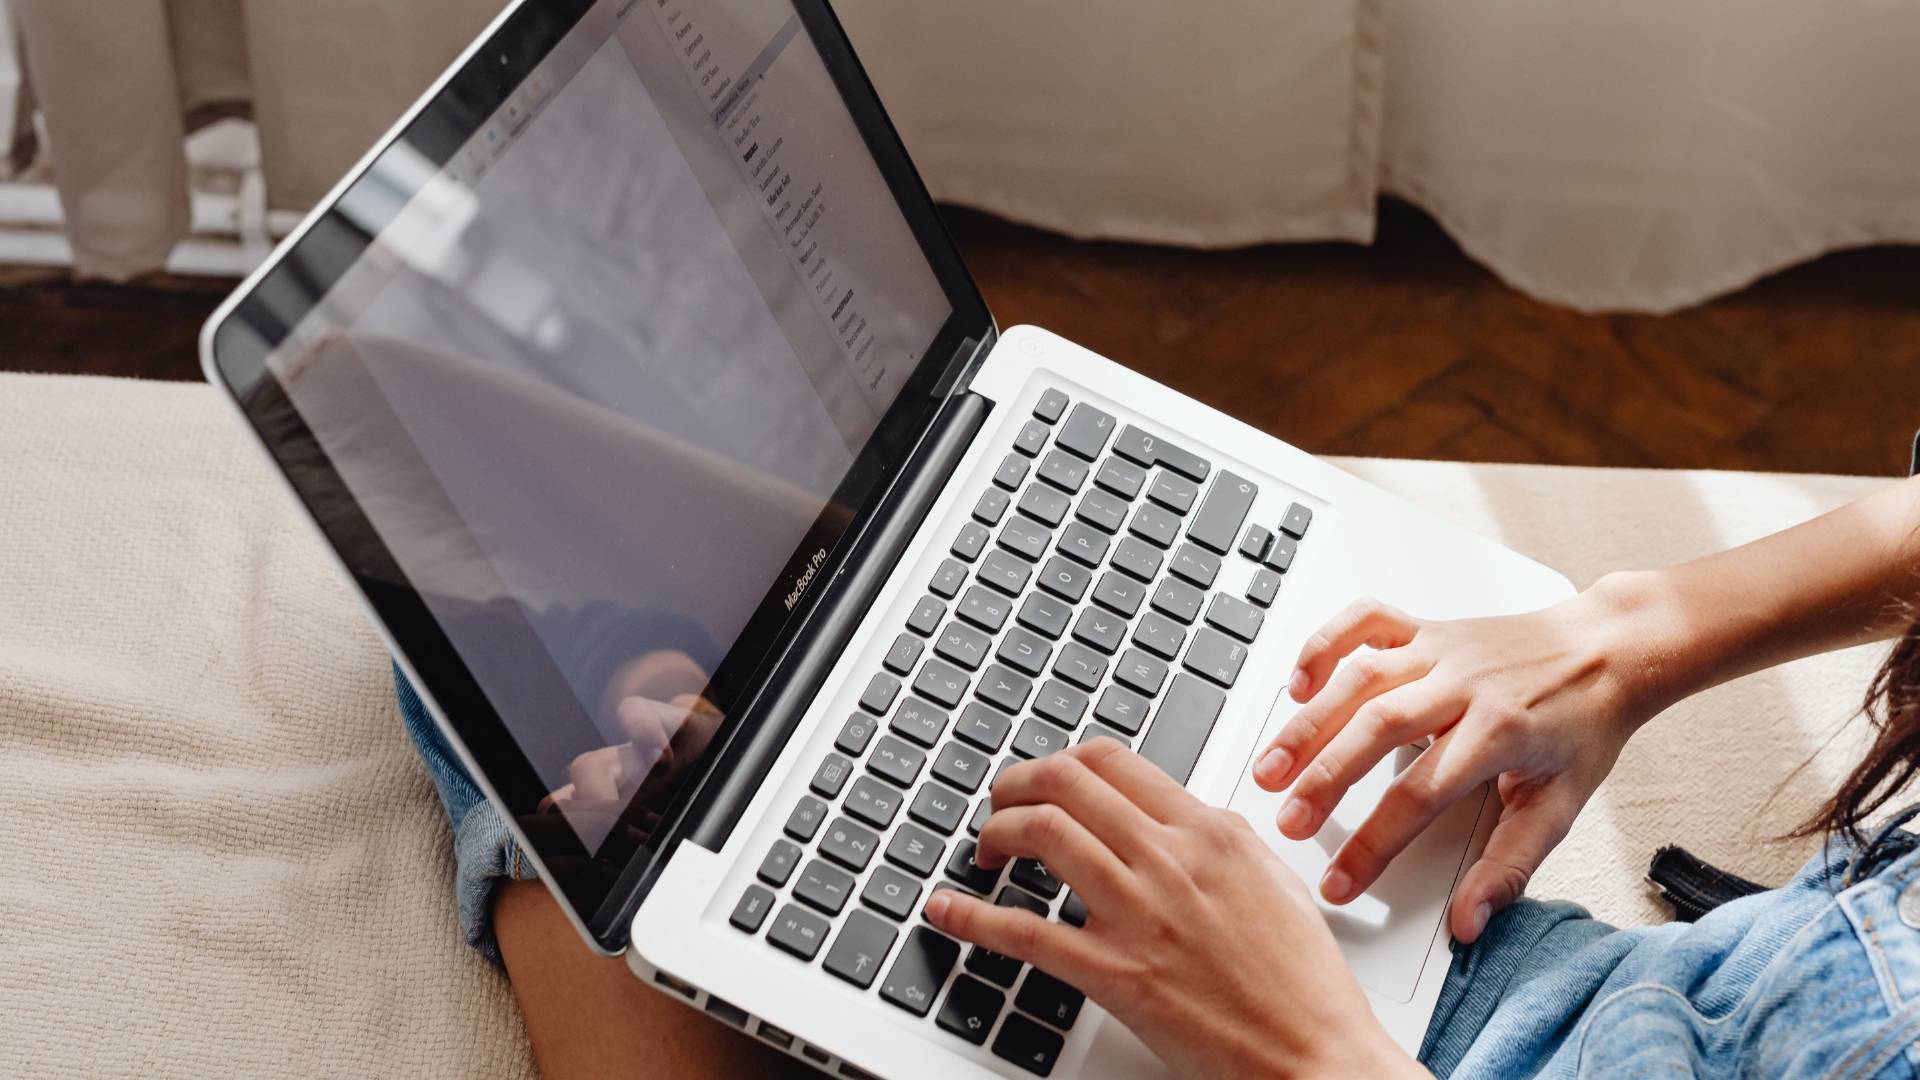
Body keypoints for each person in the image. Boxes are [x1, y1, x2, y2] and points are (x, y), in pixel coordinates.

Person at [402, 473, 1920, 1078]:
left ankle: (624, 847)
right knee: (620, 530)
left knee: (479, 637)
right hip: (1559, 1000)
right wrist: (1625, 635)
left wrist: (1307, 1050)